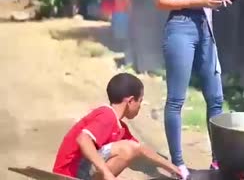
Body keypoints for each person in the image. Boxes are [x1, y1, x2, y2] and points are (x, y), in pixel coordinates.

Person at [155, 0, 235, 179]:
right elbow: (161, 1)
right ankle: (178, 163)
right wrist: (197, 2)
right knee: (177, 99)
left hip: (205, 29)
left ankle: (217, 160)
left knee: (216, 98)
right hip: (180, 27)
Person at [52, 73, 181, 180]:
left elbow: (141, 150)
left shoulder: (120, 126)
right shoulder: (106, 115)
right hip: (69, 174)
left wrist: (172, 168)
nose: (140, 107)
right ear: (130, 101)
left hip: (81, 171)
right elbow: (83, 139)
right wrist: (107, 173)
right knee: (127, 149)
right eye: (140, 101)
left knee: (133, 150)